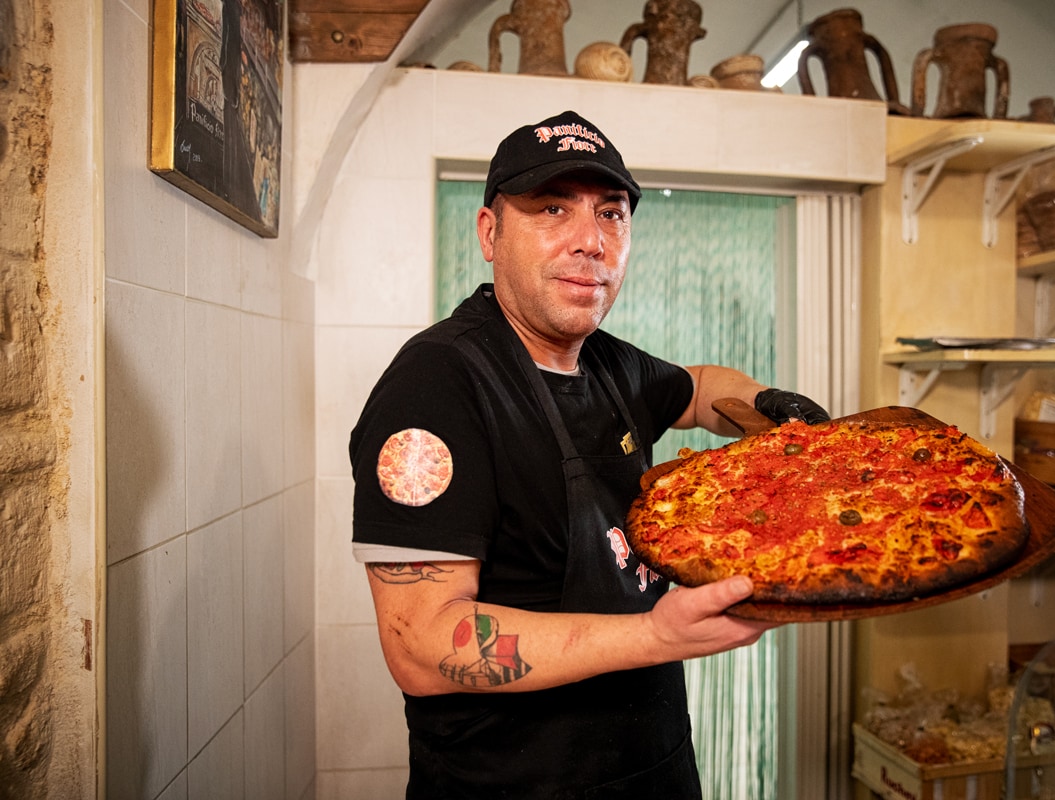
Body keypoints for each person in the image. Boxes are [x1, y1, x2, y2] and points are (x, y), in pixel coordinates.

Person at [349, 109, 830, 798]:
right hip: (511, 784)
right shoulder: (437, 386)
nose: (591, 242)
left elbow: (700, 390)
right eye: (552, 208)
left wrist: (772, 409)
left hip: (652, 770)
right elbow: (422, 645)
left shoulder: (607, 366)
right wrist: (656, 638)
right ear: (491, 233)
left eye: (611, 215)